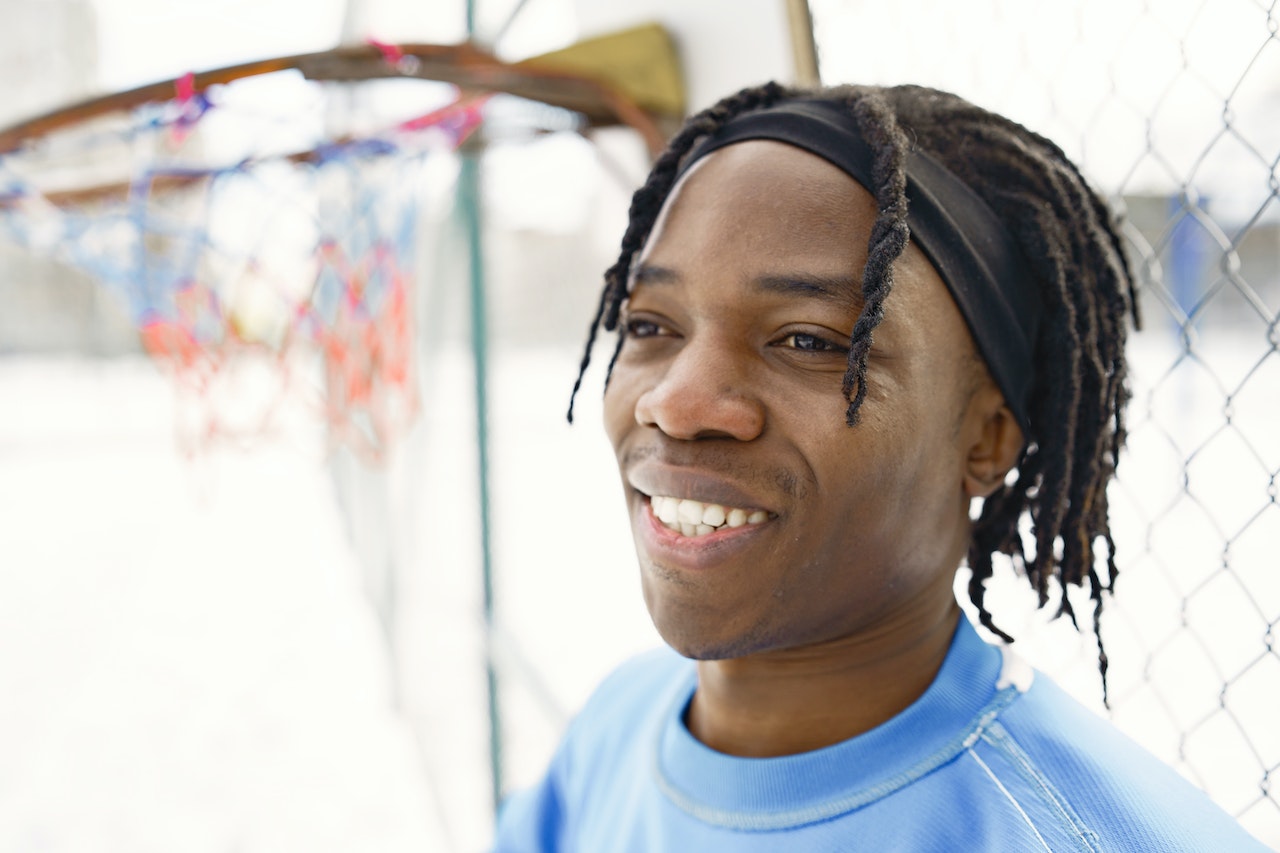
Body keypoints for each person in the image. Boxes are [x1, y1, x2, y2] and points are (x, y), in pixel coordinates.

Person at [492, 83, 1270, 851]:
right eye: (650, 324)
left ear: (986, 439)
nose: (678, 402)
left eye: (810, 340)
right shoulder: (615, 728)